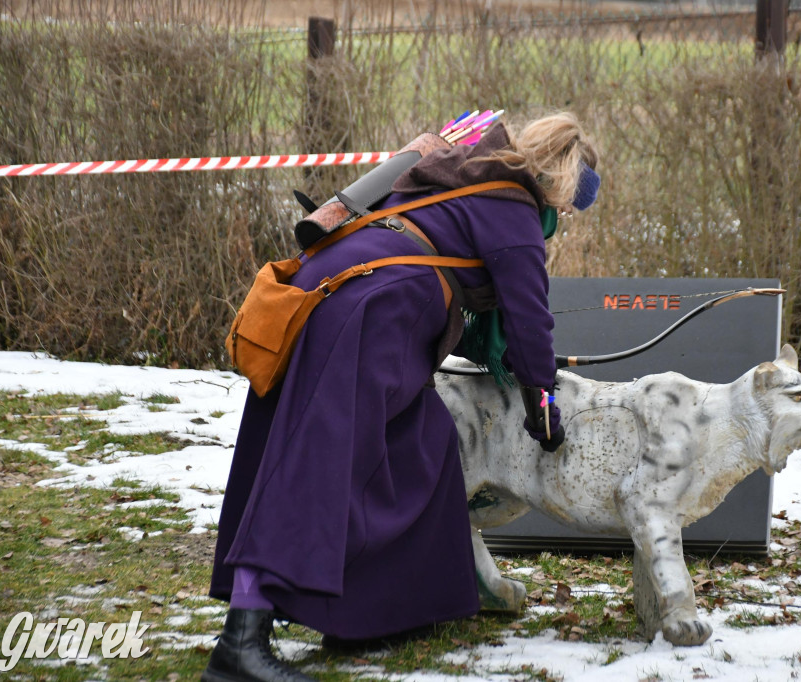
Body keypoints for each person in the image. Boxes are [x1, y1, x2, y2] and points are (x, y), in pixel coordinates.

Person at [204, 111, 600, 681]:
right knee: (315, 467)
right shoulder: (513, 207)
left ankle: (363, 615)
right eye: (565, 207)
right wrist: (543, 407)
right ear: (559, 185)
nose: (559, 218)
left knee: (421, 444)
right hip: (374, 313)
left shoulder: (464, 166)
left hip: (333, 293)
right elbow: (530, 322)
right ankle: (240, 646)